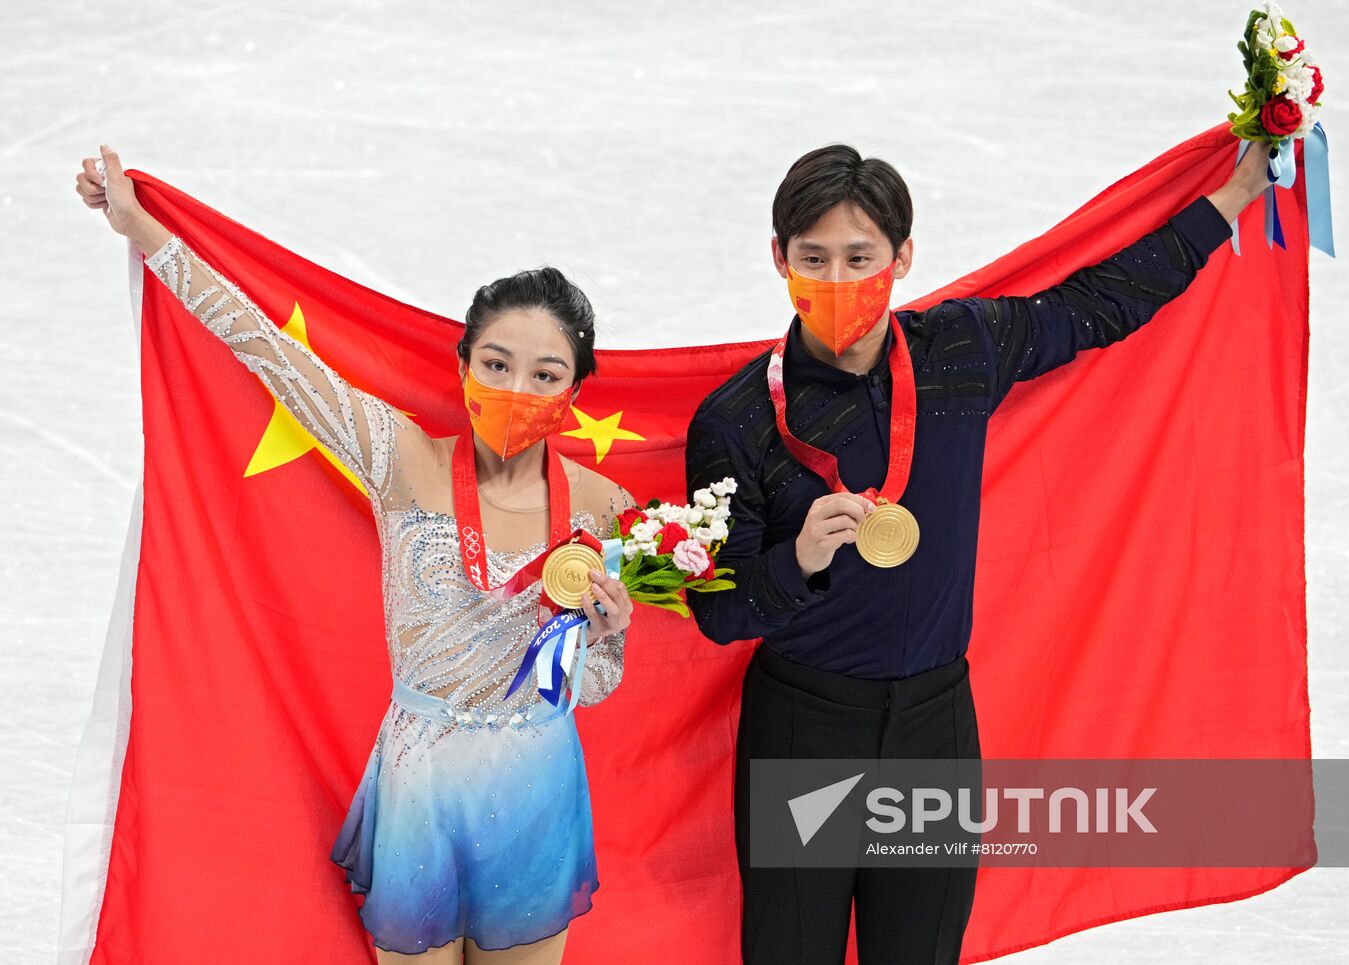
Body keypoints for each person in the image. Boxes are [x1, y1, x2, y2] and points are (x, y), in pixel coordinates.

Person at [684, 140, 1272, 963]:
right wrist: (797, 562)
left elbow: (1100, 303)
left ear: (904, 256)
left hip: (933, 730)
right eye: (813, 258)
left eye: (861, 257)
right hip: (803, 735)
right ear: (778, 258)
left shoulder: (957, 352)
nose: (839, 280)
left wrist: (1238, 194)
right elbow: (715, 609)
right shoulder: (738, 418)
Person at [76, 146, 637, 965]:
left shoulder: (600, 506)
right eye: (497, 364)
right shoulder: (402, 460)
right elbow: (266, 348)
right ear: (464, 364)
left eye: (545, 374)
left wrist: (608, 629)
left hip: (535, 791)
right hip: (421, 784)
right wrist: (143, 228)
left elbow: (591, 683)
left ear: (575, 392)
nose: (518, 388)